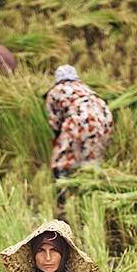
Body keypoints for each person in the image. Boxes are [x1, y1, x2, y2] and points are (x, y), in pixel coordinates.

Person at [44, 65, 114, 213]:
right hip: (105, 120)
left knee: (60, 162)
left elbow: (55, 123)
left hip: (80, 121)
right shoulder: (84, 88)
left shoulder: (55, 91)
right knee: (91, 162)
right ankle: (90, 200)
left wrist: (58, 141)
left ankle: (63, 203)